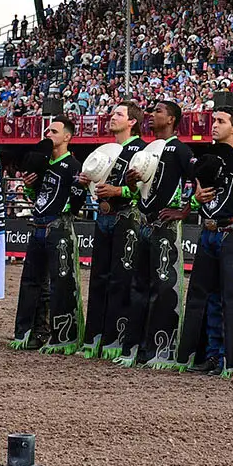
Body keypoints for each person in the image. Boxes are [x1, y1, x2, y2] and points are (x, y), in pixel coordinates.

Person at [172, 105, 233, 374]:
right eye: (214, 120)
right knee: (206, 297)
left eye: (221, 121)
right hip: (208, 231)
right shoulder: (206, 157)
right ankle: (211, 354)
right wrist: (194, 199)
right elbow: (192, 191)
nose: (214, 125)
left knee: (231, 298)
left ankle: (229, 357)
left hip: (231, 233)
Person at [122, 99, 196, 368]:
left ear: (172, 119)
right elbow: (137, 191)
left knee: (164, 289)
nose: (152, 116)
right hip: (142, 223)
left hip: (165, 228)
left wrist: (185, 211)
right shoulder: (146, 149)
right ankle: (136, 348)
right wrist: (130, 184)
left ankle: (161, 349)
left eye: (159, 112)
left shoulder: (179, 149)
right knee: (138, 287)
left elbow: (200, 180)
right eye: (151, 112)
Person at [10, 117, 88, 352]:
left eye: (54, 131)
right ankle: (30, 332)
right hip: (38, 226)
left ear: (67, 137)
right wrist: (31, 185)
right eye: (47, 130)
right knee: (31, 282)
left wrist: (81, 187)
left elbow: (76, 205)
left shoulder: (74, 166)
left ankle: (63, 335)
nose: (48, 134)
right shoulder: (41, 164)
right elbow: (38, 199)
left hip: (59, 227)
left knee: (60, 283)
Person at [82, 101, 146, 360]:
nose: (112, 117)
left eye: (119, 114)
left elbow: (147, 188)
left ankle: (118, 338)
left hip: (126, 215)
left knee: (123, 278)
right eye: (113, 113)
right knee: (98, 277)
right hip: (104, 215)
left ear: (132, 121)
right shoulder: (107, 150)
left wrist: (119, 191)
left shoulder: (140, 150)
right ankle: (95, 336)